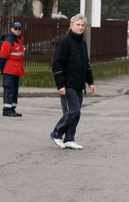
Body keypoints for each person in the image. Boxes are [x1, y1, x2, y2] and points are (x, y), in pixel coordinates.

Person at [50, 14, 96, 150]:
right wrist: (60, 85)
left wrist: (91, 82)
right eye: (78, 24)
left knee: (76, 113)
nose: (80, 27)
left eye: (82, 25)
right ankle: (56, 133)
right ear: (71, 25)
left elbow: (86, 65)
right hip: (67, 84)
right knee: (72, 111)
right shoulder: (64, 41)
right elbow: (56, 64)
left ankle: (69, 138)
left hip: (78, 84)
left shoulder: (82, 42)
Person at [0, 22, 25, 117]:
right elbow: (2, 57)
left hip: (16, 70)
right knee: (9, 90)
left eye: (19, 29)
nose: (17, 30)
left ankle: (12, 108)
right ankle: (7, 109)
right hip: (9, 70)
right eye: (15, 28)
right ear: (11, 29)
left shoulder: (18, 41)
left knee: (14, 90)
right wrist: (2, 69)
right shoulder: (8, 41)